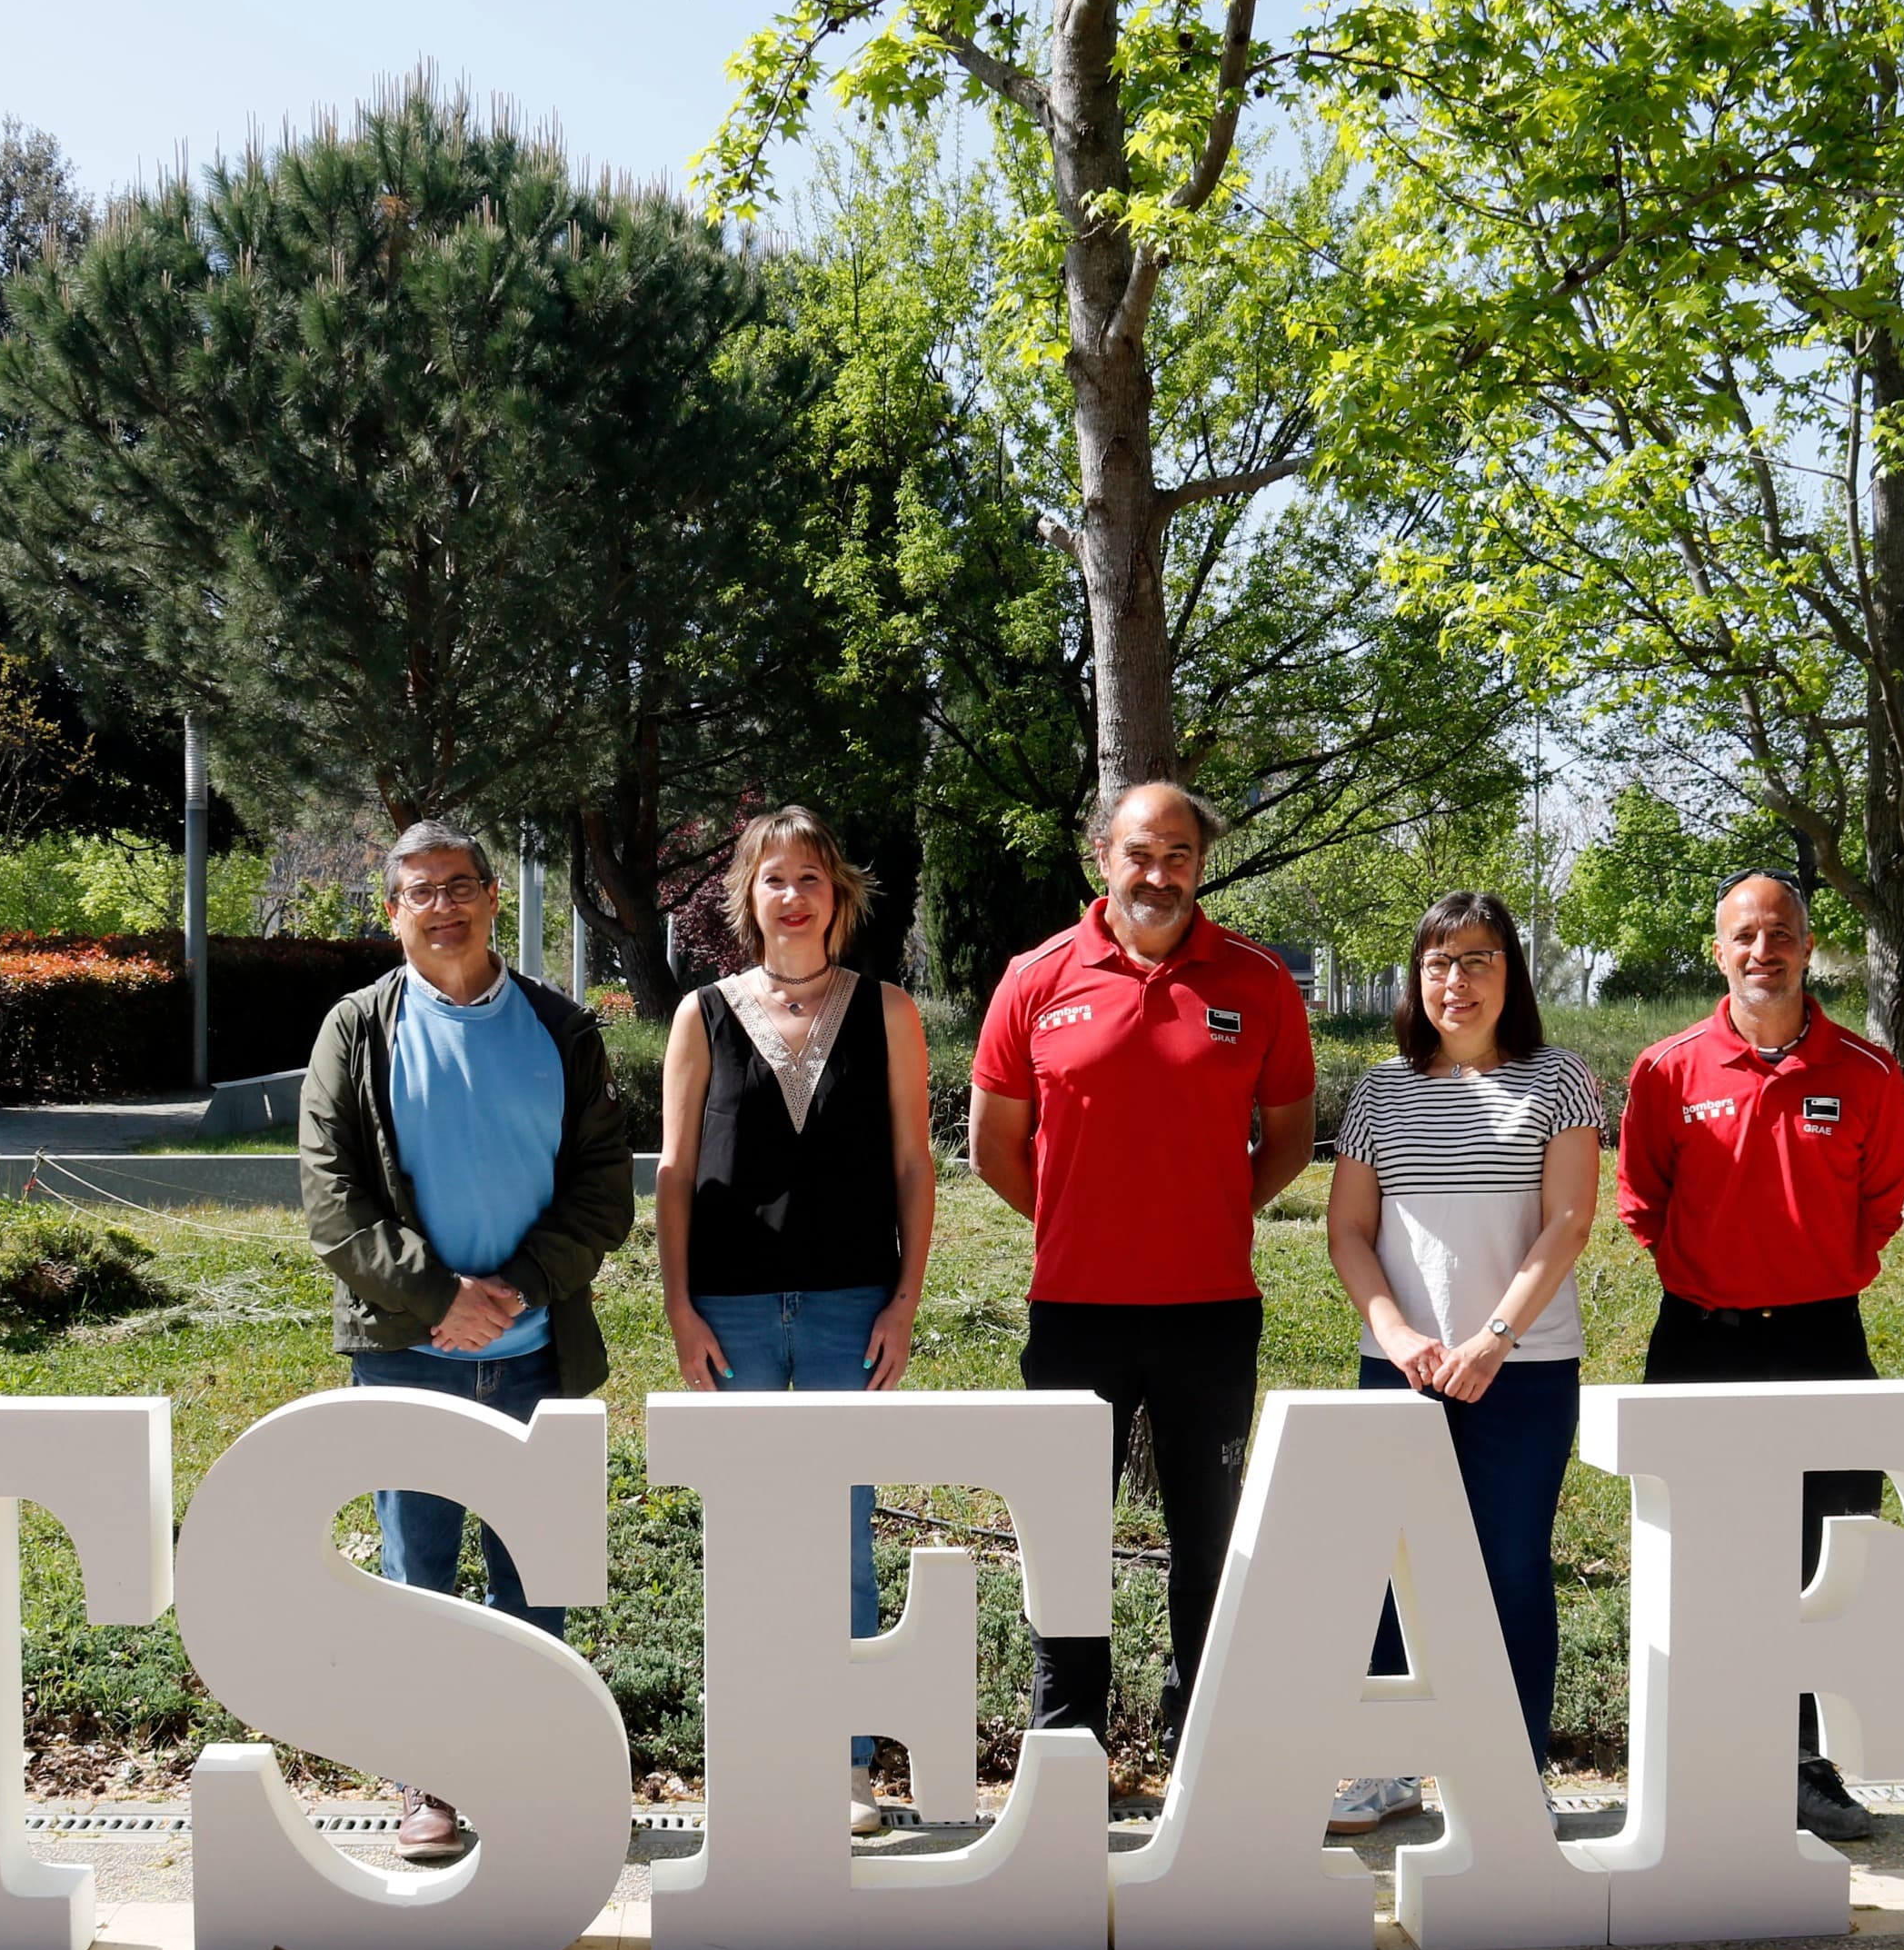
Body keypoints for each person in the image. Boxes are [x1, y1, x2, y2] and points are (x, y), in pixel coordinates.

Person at [299, 818, 634, 1859]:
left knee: (539, 1580)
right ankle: (429, 1787)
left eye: (459, 885)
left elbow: (600, 1191)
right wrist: (439, 1297)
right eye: (418, 891)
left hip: (540, 1352)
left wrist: (520, 1285)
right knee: (419, 1578)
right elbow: (332, 1199)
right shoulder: (355, 1030)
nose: (441, 905)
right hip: (407, 1354)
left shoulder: (561, 1028)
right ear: (390, 911)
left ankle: (538, 1776)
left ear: (493, 897)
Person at [970, 781, 1317, 1775]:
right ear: (1099, 856)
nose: (1156, 874)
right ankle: (1065, 1741)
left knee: (1206, 1535)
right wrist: (1081, 1220)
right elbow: (992, 1144)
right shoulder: (1034, 977)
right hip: (1073, 1313)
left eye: (1177, 855)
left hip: (1208, 1313)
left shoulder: (1255, 981)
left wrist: (1204, 1213)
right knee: (1066, 1534)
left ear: (1199, 867)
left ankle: (1195, 1736)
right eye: (1138, 853)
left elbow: (1289, 1138)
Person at [1615, 867, 1904, 1844]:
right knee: (1695, 1554)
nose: (1761, 950)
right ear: (1717, 951)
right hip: (1698, 1339)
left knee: (1822, 1561)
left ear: (1807, 945)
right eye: (1742, 935)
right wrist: (1717, 1278)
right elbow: (1641, 1203)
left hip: (1823, 1338)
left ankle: (1803, 1765)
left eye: (1778, 932)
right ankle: (1699, 1757)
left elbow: (1879, 1211)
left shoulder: (1866, 1075)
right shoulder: (1665, 1070)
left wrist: (1802, 1272)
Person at [655, 805, 938, 1836]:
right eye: (773, 877)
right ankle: (748, 1754)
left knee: (841, 1541)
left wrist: (903, 1301)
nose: (792, 894)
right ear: (748, 894)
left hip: (844, 1306)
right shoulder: (702, 1015)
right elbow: (677, 1171)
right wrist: (679, 1306)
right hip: (726, 1307)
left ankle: (846, 1764)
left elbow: (914, 1165)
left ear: (838, 895)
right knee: (741, 1538)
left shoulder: (889, 1012)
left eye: (810, 876)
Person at [1321, 891, 1607, 1834]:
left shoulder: (1559, 1079)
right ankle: (1384, 1766)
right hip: (1398, 1366)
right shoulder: (1379, 1089)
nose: (1456, 980)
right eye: (1438, 962)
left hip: (1521, 1369)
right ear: (1416, 979)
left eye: (1477, 959)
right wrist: (1398, 1335)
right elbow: (1348, 1232)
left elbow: (1567, 1222)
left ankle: (1511, 1767)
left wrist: (1495, 1337)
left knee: (1512, 1565)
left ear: (1509, 972)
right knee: (1385, 1563)